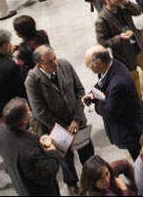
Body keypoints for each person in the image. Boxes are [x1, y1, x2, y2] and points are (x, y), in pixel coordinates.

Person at [26, 45, 94, 196]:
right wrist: (65, 128)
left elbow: (79, 91)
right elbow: (39, 112)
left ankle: (91, 177)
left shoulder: (65, 65)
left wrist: (76, 119)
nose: (55, 63)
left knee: (87, 151)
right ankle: (71, 183)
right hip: (56, 128)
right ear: (39, 65)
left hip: (77, 121)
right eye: (49, 62)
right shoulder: (32, 81)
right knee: (65, 158)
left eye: (54, 58)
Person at [83, 46, 143, 160]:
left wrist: (97, 103)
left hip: (130, 130)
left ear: (98, 63)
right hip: (130, 123)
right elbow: (102, 82)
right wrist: (92, 94)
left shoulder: (118, 84)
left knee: (140, 158)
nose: (86, 66)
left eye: (88, 64)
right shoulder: (111, 65)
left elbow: (109, 112)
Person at [0, 97, 61, 196]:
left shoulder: (2, 132)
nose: (31, 112)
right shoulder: (27, 153)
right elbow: (48, 172)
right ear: (24, 120)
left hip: (21, 185)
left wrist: (37, 142)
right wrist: (52, 150)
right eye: (29, 110)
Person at [12, 15, 51, 79]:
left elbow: (24, 71)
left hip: (38, 77)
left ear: (19, 33)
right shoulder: (43, 34)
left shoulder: (22, 51)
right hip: (50, 65)